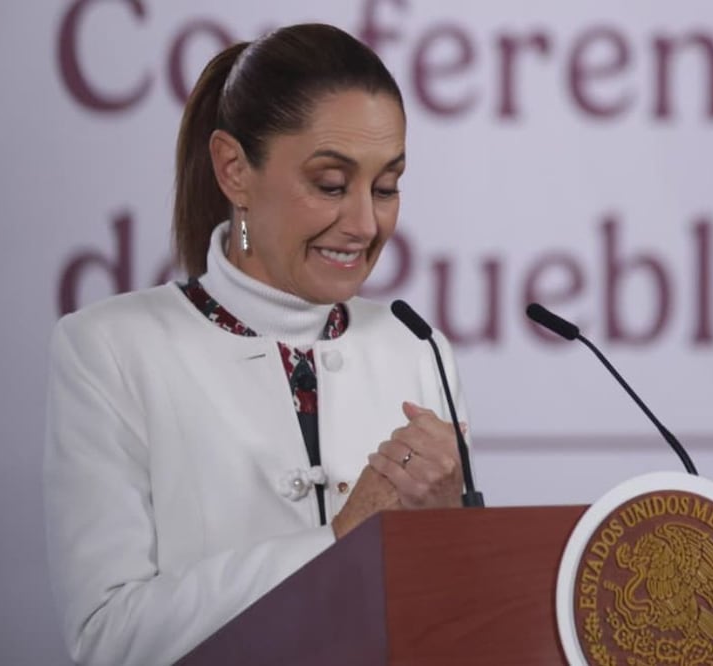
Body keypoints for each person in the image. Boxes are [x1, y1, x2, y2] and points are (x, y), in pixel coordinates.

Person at [44, 24, 470, 665]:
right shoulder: (109, 350)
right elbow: (108, 640)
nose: (365, 224)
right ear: (234, 170)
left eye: (386, 188)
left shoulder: (417, 350)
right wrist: (340, 540)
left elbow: (459, 625)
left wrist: (451, 536)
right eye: (331, 184)